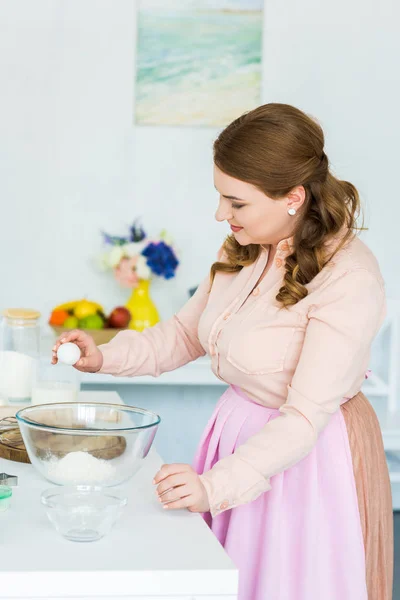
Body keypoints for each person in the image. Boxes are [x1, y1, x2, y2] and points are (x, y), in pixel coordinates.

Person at [52, 103, 393, 600]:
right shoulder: (246, 246)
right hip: (239, 447)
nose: (221, 215)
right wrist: (103, 355)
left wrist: (215, 486)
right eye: (220, 197)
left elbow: (302, 419)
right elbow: (186, 335)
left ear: (293, 197)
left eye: (236, 202)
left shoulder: (348, 278)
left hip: (308, 460)